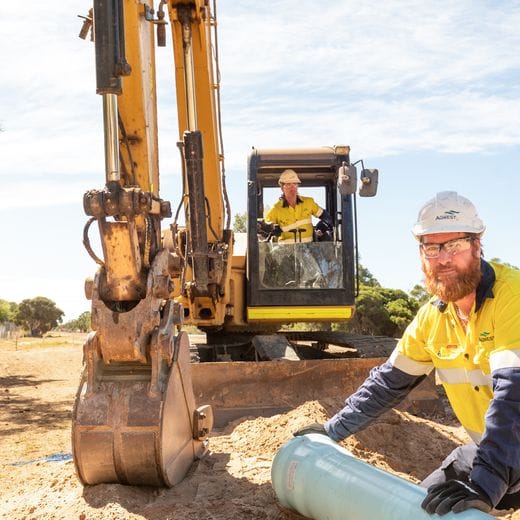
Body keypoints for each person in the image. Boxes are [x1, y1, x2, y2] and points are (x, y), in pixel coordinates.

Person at [294, 191, 520, 515]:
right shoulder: (433, 318)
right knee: (413, 509)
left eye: (454, 245)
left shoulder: (513, 296)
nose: (443, 259)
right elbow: (387, 384)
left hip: (508, 452)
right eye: (432, 247)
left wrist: (485, 485)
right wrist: (332, 431)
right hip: (497, 452)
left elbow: (514, 398)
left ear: (477, 245)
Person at [260, 169, 333, 243]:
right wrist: (272, 229)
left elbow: (326, 217)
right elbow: (264, 228)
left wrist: (324, 225)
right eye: (288, 184)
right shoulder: (276, 209)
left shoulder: (309, 202)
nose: (292, 188)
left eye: (294, 184)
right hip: (284, 252)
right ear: (282, 188)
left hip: (308, 251)